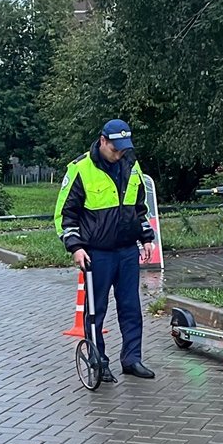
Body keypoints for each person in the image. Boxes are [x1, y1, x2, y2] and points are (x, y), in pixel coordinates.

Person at [54, 119, 156, 382]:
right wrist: (75, 247)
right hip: (97, 253)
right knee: (95, 311)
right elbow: (65, 215)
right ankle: (98, 361)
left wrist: (146, 237)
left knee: (131, 307)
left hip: (127, 250)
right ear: (102, 141)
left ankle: (132, 359)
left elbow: (139, 208)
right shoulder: (80, 169)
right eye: (115, 148)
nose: (119, 154)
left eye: (123, 148)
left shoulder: (131, 164)